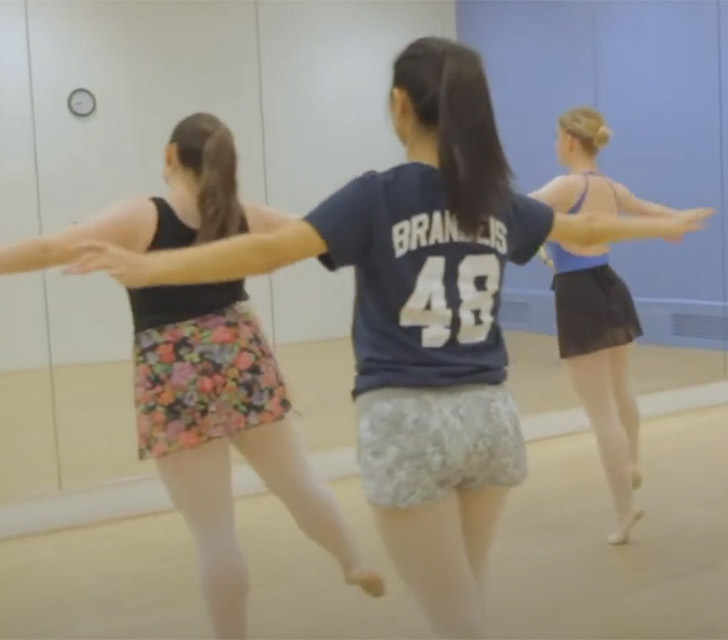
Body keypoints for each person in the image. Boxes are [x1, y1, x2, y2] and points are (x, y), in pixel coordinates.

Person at [58, 39, 714, 639]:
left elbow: (264, 252)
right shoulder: (495, 199)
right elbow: (584, 235)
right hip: (490, 420)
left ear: (401, 105)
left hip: (407, 423)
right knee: (466, 600)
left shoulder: (376, 196)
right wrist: (662, 227)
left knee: (458, 620)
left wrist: (152, 265)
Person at [0, 113, 385, 639]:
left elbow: (48, 249)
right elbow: (322, 231)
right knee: (298, 483)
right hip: (240, 355)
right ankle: (352, 560)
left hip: (171, 367)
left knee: (214, 534)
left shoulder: (143, 214)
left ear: (170, 156)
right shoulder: (243, 215)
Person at [527, 106, 703, 545]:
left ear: (569, 140)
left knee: (600, 412)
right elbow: (648, 209)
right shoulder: (609, 186)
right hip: (610, 285)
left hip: (578, 294)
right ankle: (634, 461)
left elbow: (516, 213)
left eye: (556, 136)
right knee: (622, 389)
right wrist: (677, 221)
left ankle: (625, 508)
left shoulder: (564, 185)